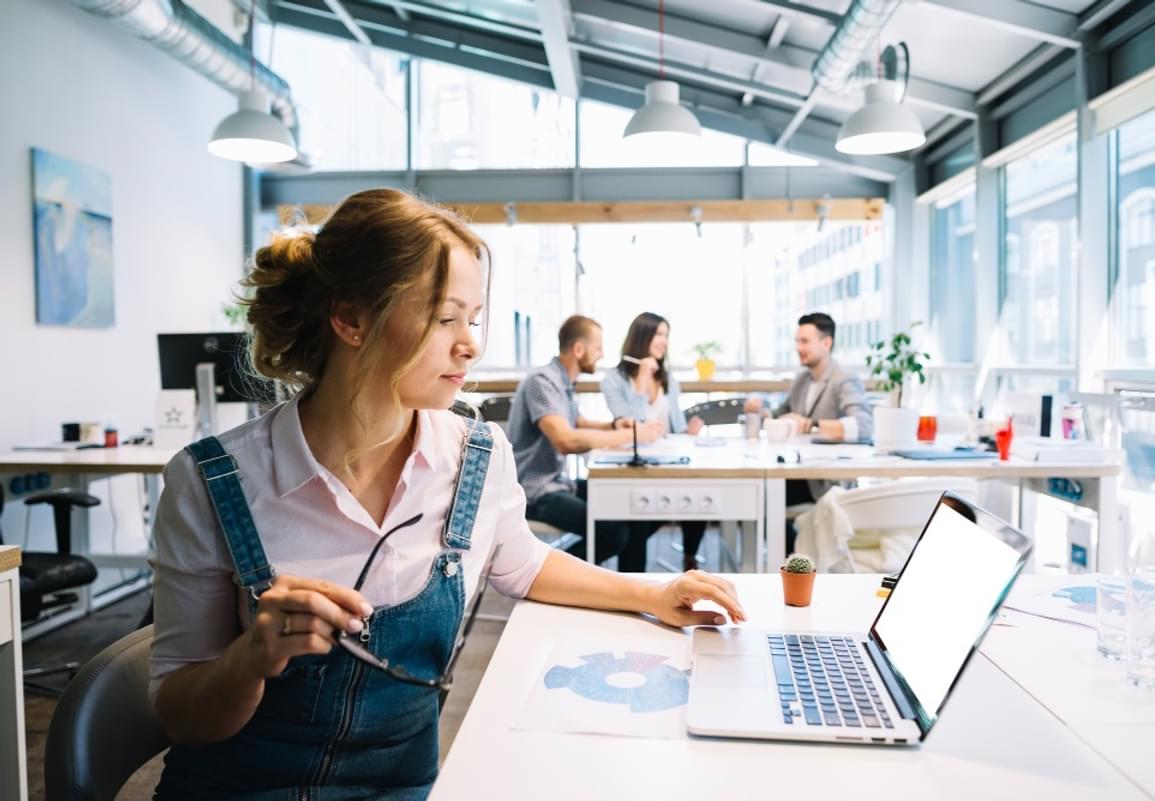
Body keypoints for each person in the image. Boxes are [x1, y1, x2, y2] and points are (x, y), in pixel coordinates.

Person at [148, 189, 745, 801]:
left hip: (402, 788)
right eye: (444, 318)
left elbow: (524, 563)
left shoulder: (474, 456)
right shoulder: (210, 482)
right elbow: (181, 714)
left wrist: (654, 592)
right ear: (351, 319)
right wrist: (250, 658)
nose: (471, 345)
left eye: (474, 318)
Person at [508, 315, 666, 572]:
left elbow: (578, 422)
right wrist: (633, 435)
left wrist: (616, 425)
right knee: (612, 532)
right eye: (598, 348)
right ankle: (545, 576)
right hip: (534, 492)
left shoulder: (562, 381)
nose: (602, 355)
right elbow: (565, 439)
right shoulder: (543, 381)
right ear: (578, 349)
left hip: (558, 483)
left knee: (635, 510)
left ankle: (634, 590)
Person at [745, 312, 872, 550]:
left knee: (760, 498)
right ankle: (789, 558)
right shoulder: (802, 379)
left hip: (826, 481)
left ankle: (792, 561)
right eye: (797, 341)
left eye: (805, 341)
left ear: (827, 343)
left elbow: (863, 426)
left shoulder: (844, 379)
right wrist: (762, 412)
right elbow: (781, 414)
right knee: (751, 494)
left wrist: (812, 424)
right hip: (799, 471)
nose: (798, 347)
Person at [601, 312, 708, 571]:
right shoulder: (613, 380)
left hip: (666, 462)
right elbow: (630, 427)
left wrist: (689, 432)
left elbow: (676, 428)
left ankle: (689, 558)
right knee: (638, 518)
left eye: (666, 335)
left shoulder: (669, 380)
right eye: (659, 334)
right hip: (634, 466)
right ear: (642, 337)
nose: (664, 341)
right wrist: (640, 382)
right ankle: (632, 580)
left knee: (699, 488)